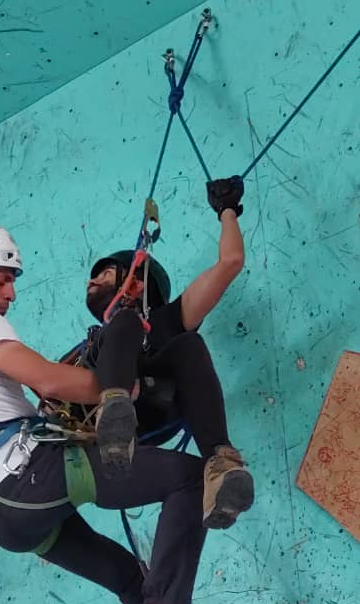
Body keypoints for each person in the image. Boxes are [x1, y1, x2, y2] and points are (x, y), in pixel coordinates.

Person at [0, 217, 305, 604]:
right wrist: (116, 390)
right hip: (31, 475)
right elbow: (48, 380)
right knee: (191, 479)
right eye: (1, 279)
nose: (10, 293)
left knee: (131, 578)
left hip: (1, 516)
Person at [69, 177, 254, 530]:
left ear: (137, 283)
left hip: (150, 411)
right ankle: (114, 414)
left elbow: (230, 262)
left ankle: (220, 466)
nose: (92, 281)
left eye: (105, 274)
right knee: (119, 328)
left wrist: (227, 210)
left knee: (188, 345)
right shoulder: (87, 348)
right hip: (90, 431)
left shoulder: (165, 320)